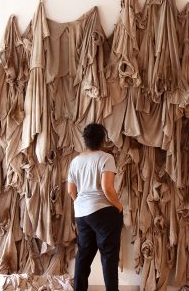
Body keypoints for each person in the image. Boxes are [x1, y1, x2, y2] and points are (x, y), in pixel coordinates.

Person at [67, 123, 123, 291]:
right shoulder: (106, 158)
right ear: (103, 139)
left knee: (83, 255)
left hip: (81, 214)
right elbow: (107, 188)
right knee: (108, 256)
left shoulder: (75, 161)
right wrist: (119, 206)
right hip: (103, 212)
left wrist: (82, 203)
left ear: (85, 140)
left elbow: (71, 190)